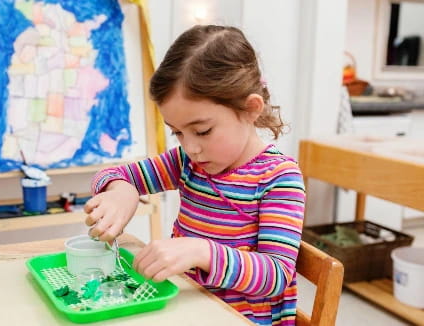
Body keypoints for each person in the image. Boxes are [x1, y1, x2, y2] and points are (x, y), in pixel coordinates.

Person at [84, 25, 305, 326]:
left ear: (251, 109)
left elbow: (276, 276)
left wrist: (202, 251)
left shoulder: (278, 177)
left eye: (202, 131)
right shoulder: (187, 162)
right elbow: (112, 173)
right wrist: (122, 191)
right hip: (188, 309)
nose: (191, 147)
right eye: (177, 132)